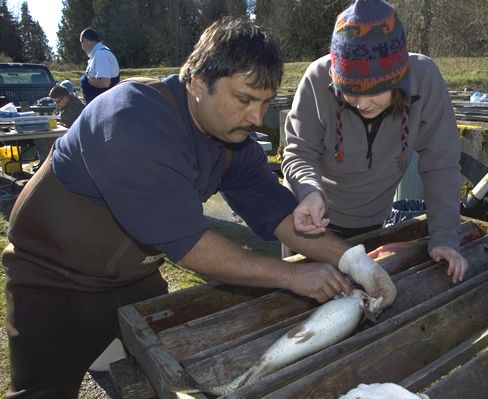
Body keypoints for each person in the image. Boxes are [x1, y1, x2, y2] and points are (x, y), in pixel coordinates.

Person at [3, 17, 396, 398]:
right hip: (53, 281)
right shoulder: (132, 118)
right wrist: (292, 276)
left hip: (134, 279)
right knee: (43, 391)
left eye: (264, 102)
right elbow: (190, 244)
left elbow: (278, 213)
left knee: (160, 375)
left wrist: (354, 260)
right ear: (197, 81)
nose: (257, 118)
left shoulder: (233, 141)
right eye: (244, 99)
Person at [282, 0, 468, 283]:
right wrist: (309, 192)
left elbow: (440, 163)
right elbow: (299, 153)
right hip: (311, 225)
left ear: (399, 79)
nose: (362, 104)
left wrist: (444, 237)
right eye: (350, 92)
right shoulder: (316, 80)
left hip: (374, 226)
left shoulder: (425, 79)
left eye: (375, 92)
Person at [79, 27, 120, 104]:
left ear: (86, 41)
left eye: (81, 42)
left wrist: (86, 81)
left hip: (105, 105)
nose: (82, 47)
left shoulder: (101, 54)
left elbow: (105, 83)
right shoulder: (97, 55)